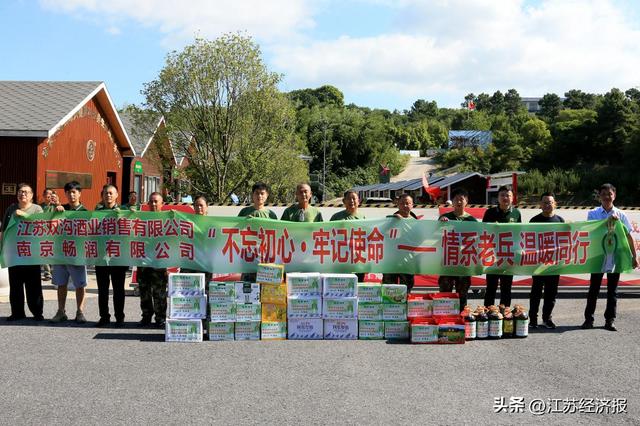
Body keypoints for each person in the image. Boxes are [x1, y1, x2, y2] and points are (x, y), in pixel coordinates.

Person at [582, 183, 638, 331]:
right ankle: (588, 319)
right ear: (599, 196)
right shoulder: (593, 213)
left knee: (613, 290)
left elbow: (628, 236)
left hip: (616, 256)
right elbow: (590, 232)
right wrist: (605, 222)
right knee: (593, 288)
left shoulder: (621, 214)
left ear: (614, 195)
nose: (607, 197)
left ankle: (610, 320)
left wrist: (634, 256)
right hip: (598, 256)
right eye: (604, 194)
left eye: (610, 194)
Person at [1, 183, 44, 321]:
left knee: (34, 286)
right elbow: (4, 230)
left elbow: (42, 225)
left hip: (32, 254)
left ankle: (37, 312)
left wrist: (24, 215)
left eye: (26, 192)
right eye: (20, 192)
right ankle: (17, 312)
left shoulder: (37, 209)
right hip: (14, 254)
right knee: (15, 286)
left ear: (31, 195)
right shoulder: (11, 208)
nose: (22, 194)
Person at [49, 181, 89, 324]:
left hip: (77, 253)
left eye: (74, 192)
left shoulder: (85, 212)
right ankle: (61, 311)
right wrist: (55, 211)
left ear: (79, 193)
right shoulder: (61, 209)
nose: (72, 195)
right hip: (61, 252)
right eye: (69, 192)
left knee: (80, 284)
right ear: (65, 194)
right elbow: (49, 225)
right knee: (61, 283)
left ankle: (80, 311)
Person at [94, 184, 129, 327]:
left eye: (110, 193)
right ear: (101, 196)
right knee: (102, 290)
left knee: (118, 289)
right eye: (105, 193)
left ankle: (119, 317)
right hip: (101, 255)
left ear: (116, 195)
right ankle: (104, 316)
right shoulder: (97, 211)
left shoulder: (124, 211)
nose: (108, 196)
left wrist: (128, 217)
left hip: (118, 255)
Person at [529, 192, 564, 329]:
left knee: (551, 294)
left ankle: (547, 318)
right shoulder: (534, 221)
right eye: (544, 202)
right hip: (538, 264)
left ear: (555, 204)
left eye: (550, 202)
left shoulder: (560, 221)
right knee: (535, 293)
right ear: (540, 205)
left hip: (554, 265)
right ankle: (533, 319)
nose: (547, 205)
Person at [437, 188, 477, 309]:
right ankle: (444, 319)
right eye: (456, 199)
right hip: (448, 261)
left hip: (463, 263)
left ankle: (461, 320)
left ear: (467, 201)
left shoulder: (472, 220)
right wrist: (440, 224)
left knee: (462, 294)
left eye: (462, 199)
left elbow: (477, 240)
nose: (459, 201)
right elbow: (435, 236)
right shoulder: (445, 218)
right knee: (445, 293)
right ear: (452, 202)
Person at [482, 185, 521, 307]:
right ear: (498, 198)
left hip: (508, 257)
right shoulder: (490, 212)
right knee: (491, 288)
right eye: (502, 195)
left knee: (506, 289)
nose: (505, 198)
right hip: (492, 257)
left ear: (513, 198)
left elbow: (518, 234)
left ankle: (505, 316)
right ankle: (488, 315)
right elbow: (483, 232)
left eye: (508, 195)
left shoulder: (516, 213)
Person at [138, 192, 168, 328]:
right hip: (143, 261)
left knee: (159, 292)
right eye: (151, 202)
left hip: (159, 262)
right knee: (144, 290)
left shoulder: (167, 220)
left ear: (162, 204)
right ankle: (146, 316)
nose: (153, 204)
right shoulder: (142, 219)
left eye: (156, 201)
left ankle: (160, 317)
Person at [382, 193, 417, 291]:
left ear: (412, 205)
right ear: (398, 204)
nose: (405, 206)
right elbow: (381, 235)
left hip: (407, 261)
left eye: (407, 203)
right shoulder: (390, 219)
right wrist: (393, 222)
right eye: (402, 203)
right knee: (388, 290)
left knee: (406, 290)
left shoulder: (417, 223)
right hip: (391, 262)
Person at [331, 190, 366, 281]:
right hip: (340, 259)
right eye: (348, 199)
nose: (351, 201)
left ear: (359, 201)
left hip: (358, 259)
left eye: (354, 198)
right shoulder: (336, 217)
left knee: (358, 284)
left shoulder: (363, 219)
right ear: (343, 201)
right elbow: (329, 236)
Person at [181, 195, 212, 284]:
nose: (199, 208)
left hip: (205, 264)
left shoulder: (212, 223)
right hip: (189, 263)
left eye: (201, 205)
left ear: (207, 206)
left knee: (204, 291)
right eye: (196, 205)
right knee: (187, 293)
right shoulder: (187, 223)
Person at [39, 187, 55, 281]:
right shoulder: (39, 207)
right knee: (44, 252)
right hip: (42, 232)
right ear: (43, 195)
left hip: (53, 233)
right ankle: (47, 272)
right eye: (46, 194)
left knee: (52, 252)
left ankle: (53, 271)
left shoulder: (55, 206)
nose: (48, 196)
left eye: (50, 194)